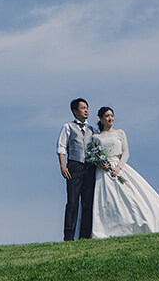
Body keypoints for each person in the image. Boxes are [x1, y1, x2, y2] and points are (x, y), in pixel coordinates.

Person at [88, 106, 159, 237]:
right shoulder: (96, 137)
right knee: (106, 201)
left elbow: (126, 152)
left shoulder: (120, 133)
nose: (110, 118)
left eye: (112, 115)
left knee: (131, 197)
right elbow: (93, 154)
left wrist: (118, 168)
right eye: (107, 116)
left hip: (119, 168)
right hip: (103, 171)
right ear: (101, 119)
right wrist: (101, 164)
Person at [56, 97, 98, 240]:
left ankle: (85, 236)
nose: (86, 110)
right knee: (72, 201)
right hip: (74, 165)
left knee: (88, 202)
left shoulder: (93, 129)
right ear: (75, 111)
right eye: (83, 108)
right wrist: (63, 166)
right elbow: (61, 147)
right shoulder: (68, 127)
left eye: (87, 108)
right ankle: (68, 236)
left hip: (89, 167)